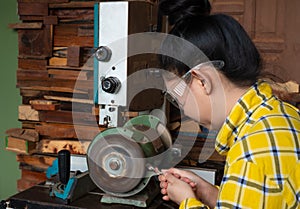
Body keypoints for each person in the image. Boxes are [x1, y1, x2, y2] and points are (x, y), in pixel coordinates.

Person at [157, 0, 300, 208]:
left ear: (202, 81)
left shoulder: (254, 150)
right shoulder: (280, 114)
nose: (182, 108)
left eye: (177, 96)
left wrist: (187, 202)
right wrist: (209, 193)